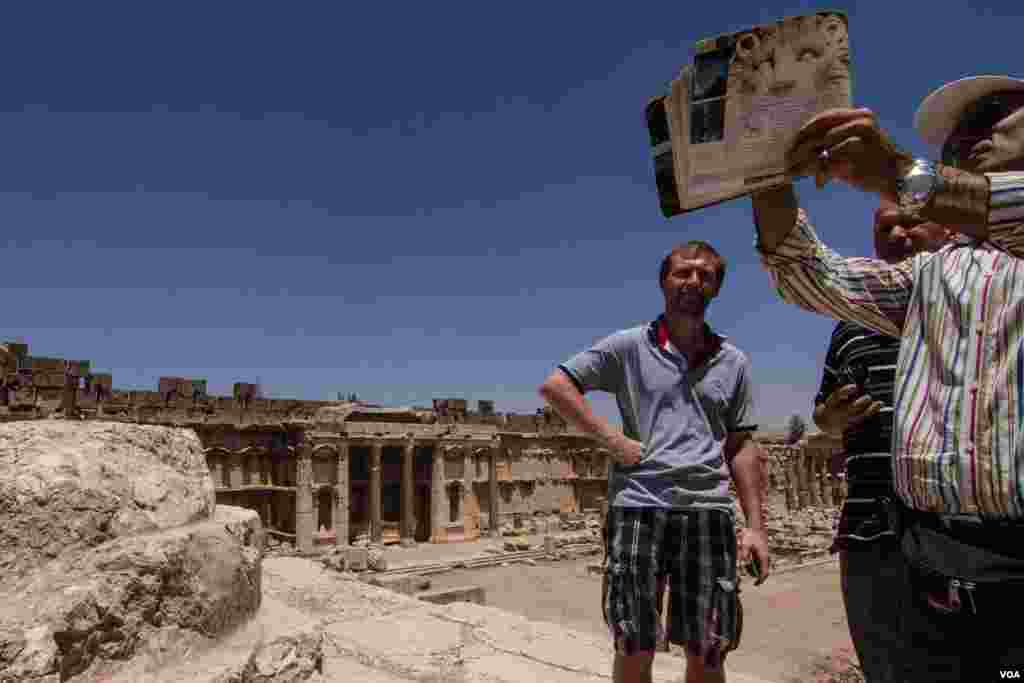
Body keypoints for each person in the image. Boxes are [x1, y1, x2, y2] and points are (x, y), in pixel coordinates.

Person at [751, 75, 1024, 681]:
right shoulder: (932, 276)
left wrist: (897, 172)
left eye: (996, 114)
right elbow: (808, 275)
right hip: (930, 567)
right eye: (961, 131)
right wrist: (765, 172)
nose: (969, 135)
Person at [538, 241, 770, 683]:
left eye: (706, 275)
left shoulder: (733, 361)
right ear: (664, 281)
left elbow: (741, 446)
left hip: (707, 512)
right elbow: (557, 386)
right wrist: (611, 439)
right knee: (634, 642)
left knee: (709, 648)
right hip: (638, 506)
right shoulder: (628, 346)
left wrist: (756, 527)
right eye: (683, 272)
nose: (693, 282)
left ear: (718, 288)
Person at [812, 197, 951, 683]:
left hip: (965, 534)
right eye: (885, 228)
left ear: (945, 228)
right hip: (872, 534)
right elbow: (825, 418)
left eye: (910, 223)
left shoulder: (973, 306)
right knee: (887, 668)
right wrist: (831, 421)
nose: (897, 236)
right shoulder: (849, 326)